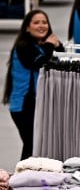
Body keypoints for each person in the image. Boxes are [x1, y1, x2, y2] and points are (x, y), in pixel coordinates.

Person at [3, 10, 64, 159]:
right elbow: (40, 63)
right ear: (27, 28)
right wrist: (50, 44)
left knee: (35, 145)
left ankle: (26, 172)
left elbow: (61, 61)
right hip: (24, 106)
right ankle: (22, 172)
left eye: (44, 22)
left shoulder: (40, 46)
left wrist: (58, 46)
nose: (42, 25)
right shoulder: (23, 47)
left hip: (35, 104)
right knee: (32, 145)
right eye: (36, 22)